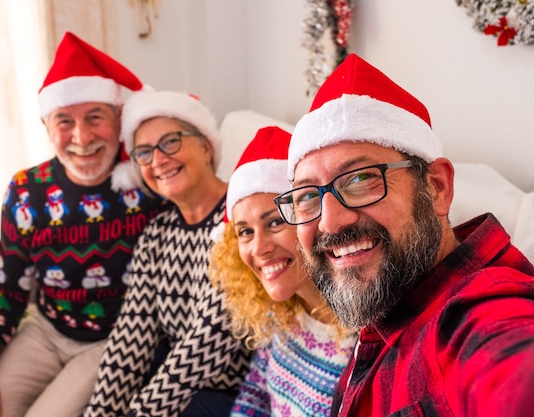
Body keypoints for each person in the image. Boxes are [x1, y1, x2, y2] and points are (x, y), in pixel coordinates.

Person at [273, 52, 534, 417]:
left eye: (362, 179)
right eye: (306, 196)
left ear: (437, 188)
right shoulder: (387, 302)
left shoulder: (478, 317)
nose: (330, 223)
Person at [0, 32, 164, 417]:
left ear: (118, 120)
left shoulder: (148, 182)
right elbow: (7, 284)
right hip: (45, 330)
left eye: (95, 118)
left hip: (113, 340)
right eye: (65, 121)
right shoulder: (25, 191)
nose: (81, 137)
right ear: (46, 125)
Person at [83, 89, 253, 417]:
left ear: (205, 147)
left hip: (228, 393)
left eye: (170, 142)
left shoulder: (241, 220)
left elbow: (209, 343)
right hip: (175, 387)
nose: (158, 160)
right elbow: (132, 332)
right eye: (143, 153)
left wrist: (141, 414)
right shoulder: (157, 233)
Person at [209, 125, 357, 417]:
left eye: (275, 223)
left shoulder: (363, 335)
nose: (259, 248)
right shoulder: (281, 313)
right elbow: (254, 394)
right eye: (245, 232)